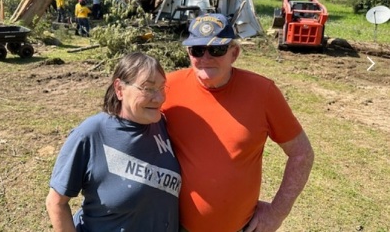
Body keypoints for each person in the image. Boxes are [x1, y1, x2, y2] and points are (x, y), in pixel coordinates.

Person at [162, 13, 314, 232]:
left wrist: (277, 212)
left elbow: (302, 154)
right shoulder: (167, 87)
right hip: (174, 225)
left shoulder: (263, 93)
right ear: (188, 53)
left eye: (216, 49)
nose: (205, 57)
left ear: (234, 53)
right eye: (197, 50)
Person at [46, 52, 181, 232]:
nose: (159, 98)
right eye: (148, 88)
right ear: (119, 89)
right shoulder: (91, 134)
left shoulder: (163, 125)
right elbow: (56, 203)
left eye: (162, 87)